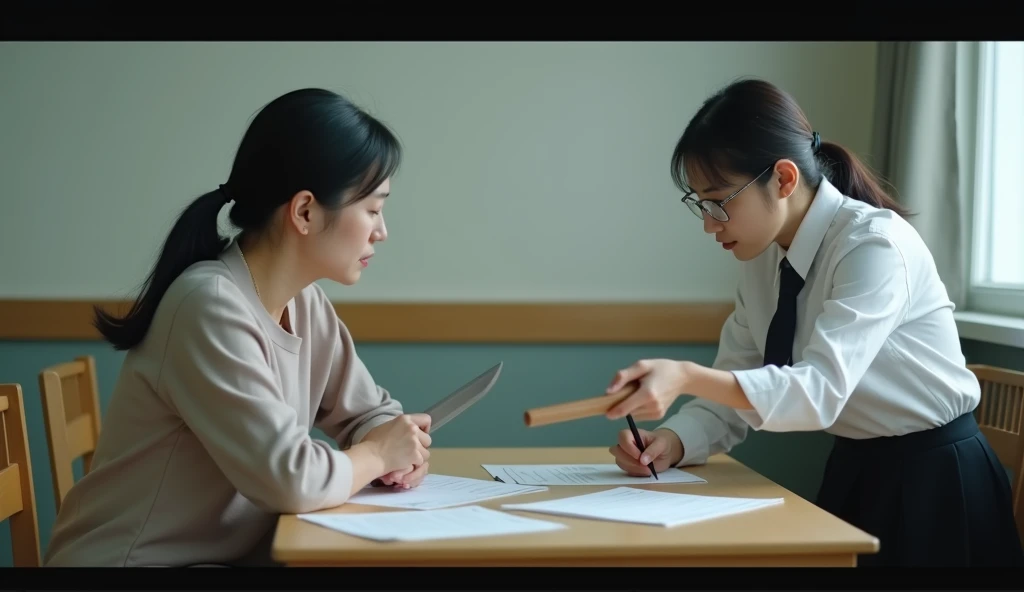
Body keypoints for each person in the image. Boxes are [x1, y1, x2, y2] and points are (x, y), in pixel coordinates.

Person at [603, 78, 1024, 567]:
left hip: (938, 486)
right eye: (700, 203)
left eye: (719, 201)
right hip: (855, 469)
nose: (709, 223)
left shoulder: (873, 246)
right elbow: (737, 387)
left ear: (783, 179)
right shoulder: (762, 259)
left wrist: (687, 376)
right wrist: (671, 443)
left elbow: (818, 391)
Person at [44, 88, 432, 567]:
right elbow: (290, 479)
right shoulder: (209, 305)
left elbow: (366, 413)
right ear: (305, 211)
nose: (381, 230)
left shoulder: (304, 303)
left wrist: (395, 449)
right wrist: (375, 456)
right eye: (372, 209)